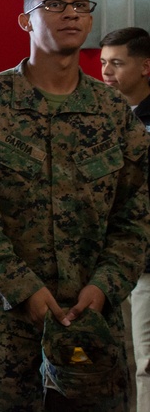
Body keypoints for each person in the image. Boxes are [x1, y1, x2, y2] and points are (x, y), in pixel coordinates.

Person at [0, 0, 150, 411]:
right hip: (5, 323)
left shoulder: (113, 112)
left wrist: (105, 284)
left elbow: (135, 214)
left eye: (80, 4)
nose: (72, 12)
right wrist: (22, 288)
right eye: (55, 4)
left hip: (92, 321)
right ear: (26, 20)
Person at [100, 27, 150, 411]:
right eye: (103, 62)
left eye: (117, 63)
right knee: (120, 357)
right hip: (108, 263)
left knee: (146, 362)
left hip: (146, 260)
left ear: (145, 66)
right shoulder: (104, 116)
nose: (106, 71)